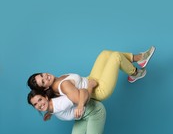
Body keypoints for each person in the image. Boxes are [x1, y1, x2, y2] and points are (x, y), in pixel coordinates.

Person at [27, 47, 155, 112]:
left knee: (105, 53)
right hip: (98, 90)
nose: (46, 77)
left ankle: (139, 58)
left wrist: (50, 113)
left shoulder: (57, 80)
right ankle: (136, 72)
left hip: (91, 78)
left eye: (43, 75)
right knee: (116, 57)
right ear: (45, 87)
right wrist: (90, 87)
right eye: (43, 81)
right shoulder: (64, 86)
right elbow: (82, 101)